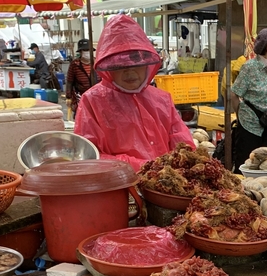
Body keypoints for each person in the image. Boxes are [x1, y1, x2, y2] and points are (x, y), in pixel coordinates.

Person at [74, 14, 194, 172]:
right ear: (109, 69)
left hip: (166, 183)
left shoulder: (162, 99)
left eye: (136, 63)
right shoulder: (92, 101)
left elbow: (183, 146)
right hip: (119, 184)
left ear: (146, 65)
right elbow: (89, 156)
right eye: (120, 65)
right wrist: (143, 167)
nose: (129, 72)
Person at [230, 29, 267, 170]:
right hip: (250, 127)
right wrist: (241, 117)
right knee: (247, 166)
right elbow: (234, 94)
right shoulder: (250, 68)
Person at [65, 38, 94, 117]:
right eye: (85, 50)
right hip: (80, 96)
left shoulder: (96, 63)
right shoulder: (75, 64)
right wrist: (68, 97)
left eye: (88, 50)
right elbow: (69, 81)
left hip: (96, 96)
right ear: (80, 52)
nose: (87, 52)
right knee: (81, 116)